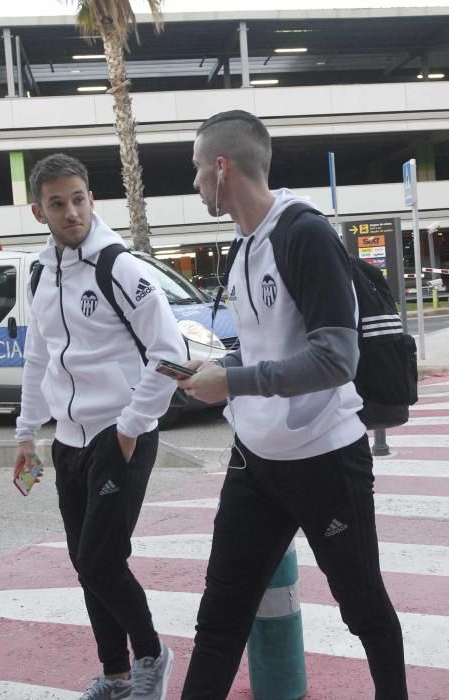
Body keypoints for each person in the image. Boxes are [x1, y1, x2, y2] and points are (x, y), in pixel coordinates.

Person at [178, 111, 408, 699]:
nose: (196, 181)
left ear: (221, 168)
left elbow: (336, 360)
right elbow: (266, 346)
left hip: (325, 459)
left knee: (364, 606)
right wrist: (220, 369)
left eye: (198, 169)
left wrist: (231, 383)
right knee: (220, 617)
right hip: (255, 459)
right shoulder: (243, 243)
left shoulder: (303, 234)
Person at [14, 153, 185, 700]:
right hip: (68, 441)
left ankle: (153, 658)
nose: (72, 212)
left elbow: (172, 351)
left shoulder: (118, 266)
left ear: (92, 199)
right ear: (38, 210)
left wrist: (132, 425)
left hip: (120, 432)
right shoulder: (42, 274)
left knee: (99, 559)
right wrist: (26, 433)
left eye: (79, 198)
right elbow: (38, 359)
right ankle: (114, 675)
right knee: (86, 564)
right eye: (58, 203)